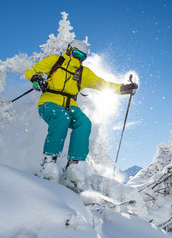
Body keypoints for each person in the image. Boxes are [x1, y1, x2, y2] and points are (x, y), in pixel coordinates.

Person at [25, 39, 138, 181]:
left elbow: (101, 84)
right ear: (69, 51)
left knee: (84, 122)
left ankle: (73, 166)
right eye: (76, 54)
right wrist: (36, 78)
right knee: (62, 118)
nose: (78, 59)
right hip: (49, 102)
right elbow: (32, 69)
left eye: (82, 57)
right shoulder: (56, 61)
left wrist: (122, 89)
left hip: (70, 105)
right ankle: (48, 163)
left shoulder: (82, 72)